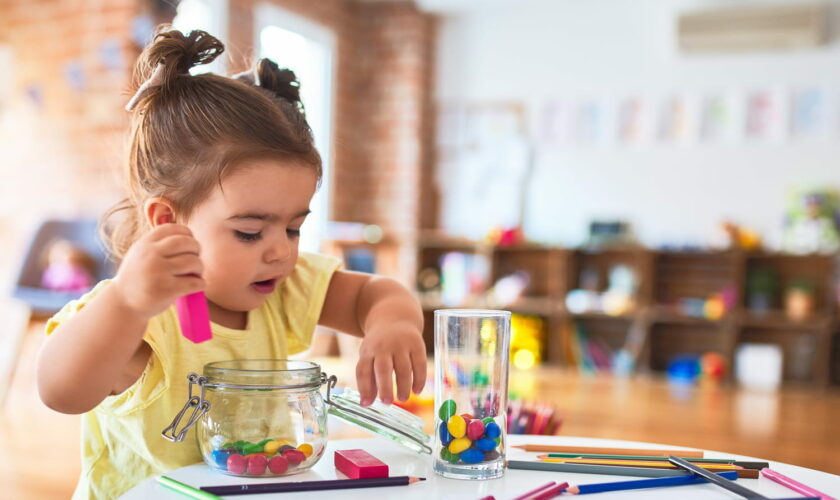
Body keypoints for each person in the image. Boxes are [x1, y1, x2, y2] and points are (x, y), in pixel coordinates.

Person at [36, 27, 426, 500]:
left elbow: (372, 294)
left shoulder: (281, 283)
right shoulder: (138, 317)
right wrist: (126, 302)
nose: (280, 250)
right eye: (249, 231)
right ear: (167, 220)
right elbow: (61, 391)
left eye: (293, 227)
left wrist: (392, 324)